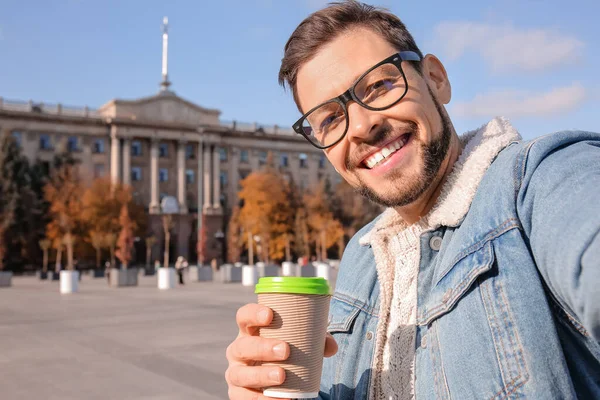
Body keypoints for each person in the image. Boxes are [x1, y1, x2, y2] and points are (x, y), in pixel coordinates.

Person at [225, 1, 600, 399]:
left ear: (436, 79)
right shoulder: (362, 256)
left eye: (380, 85)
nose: (362, 126)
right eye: (331, 119)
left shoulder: (540, 180)